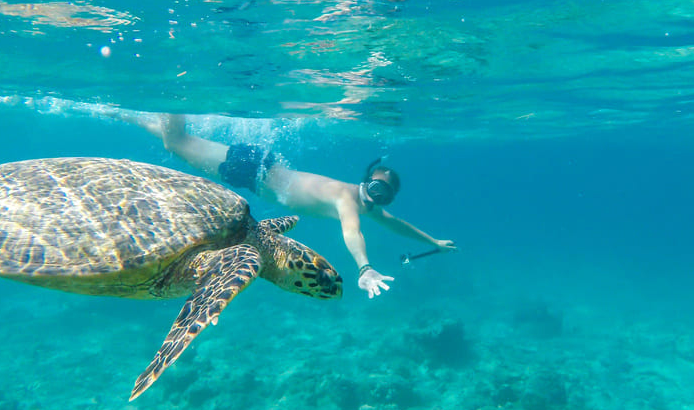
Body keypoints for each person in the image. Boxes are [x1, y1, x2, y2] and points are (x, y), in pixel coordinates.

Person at [128, 113, 456, 298]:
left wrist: (433, 243)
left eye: (384, 194)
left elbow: (396, 224)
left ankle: (135, 117)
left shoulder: (366, 204)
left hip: (260, 168)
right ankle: (170, 99)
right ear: (364, 180)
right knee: (178, 142)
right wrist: (364, 268)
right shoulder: (347, 198)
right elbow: (352, 232)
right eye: (374, 188)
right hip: (253, 170)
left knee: (178, 142)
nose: (377, 197)